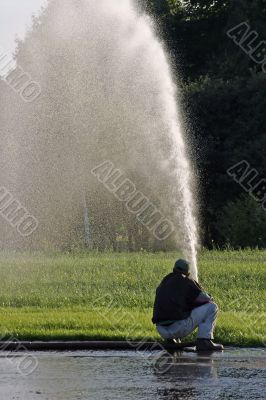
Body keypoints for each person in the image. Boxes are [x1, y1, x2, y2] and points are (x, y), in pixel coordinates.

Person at [152, 259, 223, 351]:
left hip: (161, 330)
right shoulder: (186, 281)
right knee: (212, 307)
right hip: (178, 328)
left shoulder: (164, 281)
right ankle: (204, 341)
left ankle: (171, 341)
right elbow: (205, 299)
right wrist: (209, 296)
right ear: (187, 272)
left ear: (174, 269)